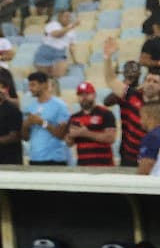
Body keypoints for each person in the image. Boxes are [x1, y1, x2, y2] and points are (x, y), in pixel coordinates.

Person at [104, 36, 148, 166]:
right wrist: (125, 83)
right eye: (129, 70)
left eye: (135, 70)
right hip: (127, 141)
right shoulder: (127, 93)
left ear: (140, 73)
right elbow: (107, 101)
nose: (132, 72)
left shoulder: (143, 92)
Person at [22, 71, 70, 166]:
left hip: (55, 159)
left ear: (43, 85)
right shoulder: (30, 107)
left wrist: (42, 123)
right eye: (29, 85)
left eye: (33, 85)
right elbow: (25, 138)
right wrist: (26, 125)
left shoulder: (60, 106)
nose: (30, 88)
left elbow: (61, 135)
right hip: (35, 158)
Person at [65, 82, 116, 166]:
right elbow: (69, 143)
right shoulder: (73, 117)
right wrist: (69, 137)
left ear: (94, 95)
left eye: (87, 94)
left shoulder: (105, 113)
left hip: (104, 165)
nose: (84, 97)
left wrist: (85, 133)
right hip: (82, 165)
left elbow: (110, 138)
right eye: (81, 94)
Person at [137, 102, 160, 176]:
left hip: (154, 183)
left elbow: (147, 163)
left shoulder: (152, 136)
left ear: (150, 118)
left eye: (142, 117)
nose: (140, 121)